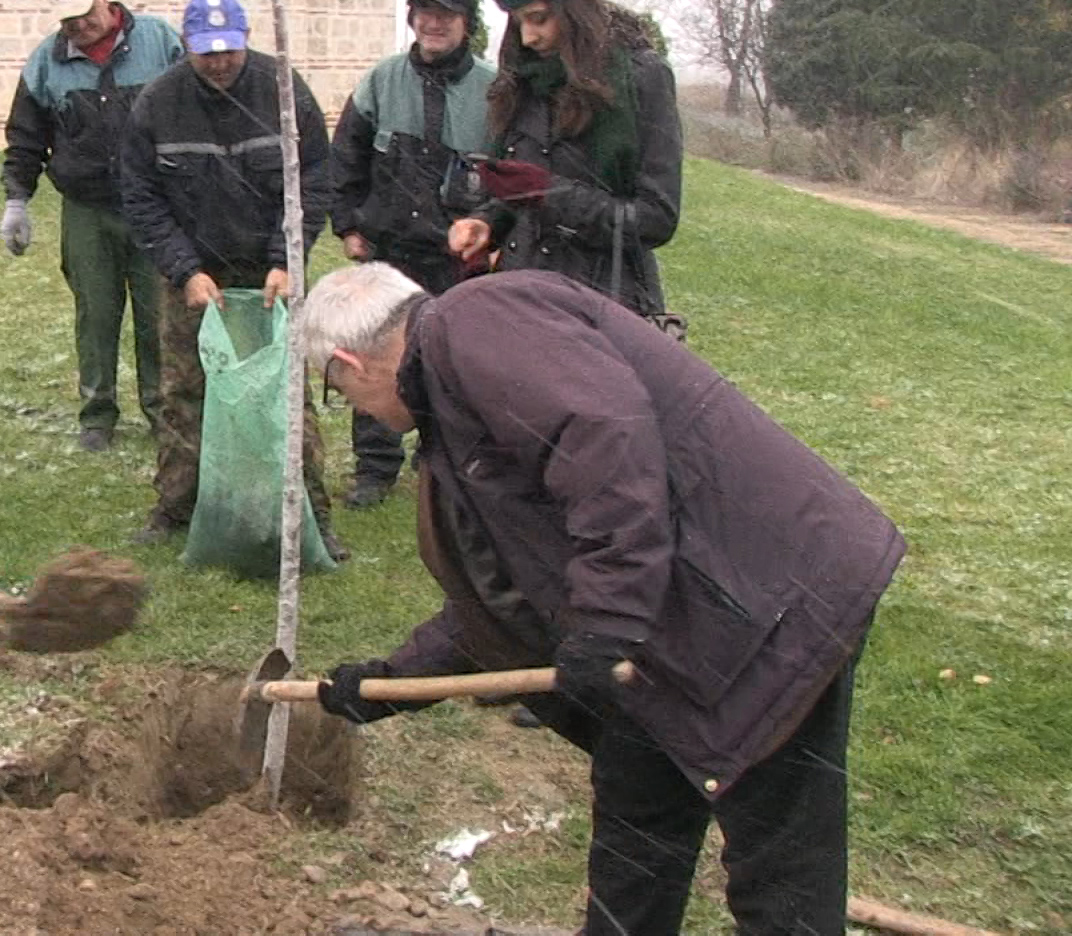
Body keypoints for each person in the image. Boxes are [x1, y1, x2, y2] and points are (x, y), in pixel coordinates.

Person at [294, 263, 902, 935]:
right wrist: (387, 682)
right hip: (670, 632)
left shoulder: (479, 323)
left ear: (350, 363)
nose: (355, 410)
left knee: (780, 868)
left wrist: (607, 620)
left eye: (338, 392)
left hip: (768, 605)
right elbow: (500, 598)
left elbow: (607, 436)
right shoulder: (453, 400)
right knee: (636, 837)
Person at [119, 0, 347, 561]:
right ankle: (177, 507)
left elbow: (314, 177)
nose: (218, 62)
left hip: (270, 268)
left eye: (228, 50)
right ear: (186, 48)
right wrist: (184, 270)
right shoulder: (157, 103)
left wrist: (286, 258)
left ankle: (312, 514)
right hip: (193, 271)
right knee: (184, 391)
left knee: (287, 392)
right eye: (205, 52)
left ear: (245, 41)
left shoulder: (286, 92)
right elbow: (141, 196)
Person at [447, 0, 682, 321]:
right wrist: (488, 222)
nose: (528, 37)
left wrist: (547, 193)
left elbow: (656, 218)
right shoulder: (523, 81)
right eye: (519, 22)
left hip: (605, 307)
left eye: (539, 18)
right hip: (520, 300)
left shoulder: (643, 77)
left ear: (576, 11)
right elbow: (519, 191)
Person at [330, 0, 495, 510]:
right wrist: (349, 224)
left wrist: (493, 235)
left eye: (445, 15)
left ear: (466, 23)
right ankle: (374, 470)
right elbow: (346, 156)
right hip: (389, 252)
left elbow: (510, 176)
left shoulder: (494, 93)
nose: (432, 24)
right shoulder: (381, 80)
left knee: (456, 365)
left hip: (460, 260)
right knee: (378, 360)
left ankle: (446, 463)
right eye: (423, 13)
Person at [0, 0, 183, 451]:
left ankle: (163, 410)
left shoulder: (161, 43)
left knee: (157, 314)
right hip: (86, 208)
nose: (78, 27)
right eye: (67, 20)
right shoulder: (47, 61)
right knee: (95, 314)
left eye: (85, 14)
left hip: (155, 208)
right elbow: (25, 135)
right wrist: (17, 199)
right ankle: (97, 414)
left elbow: (191, 113)